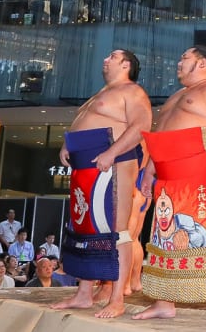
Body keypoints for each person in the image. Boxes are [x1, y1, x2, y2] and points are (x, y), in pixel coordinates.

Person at [132, 45, 206, 328]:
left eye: (185, 58)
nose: (178, 62)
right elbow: (161, 136)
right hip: (167, 177)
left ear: (202, 62)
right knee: (163, 239)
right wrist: (149, 169)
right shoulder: (176, 96)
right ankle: (164, 302)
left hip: (201, 171)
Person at [51, 49, 152, 319]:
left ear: (126, 64)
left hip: (114, 161)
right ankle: (84, 294)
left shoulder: (132, 91)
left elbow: (142, 125)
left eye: (112, 56)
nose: (105, 59)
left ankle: (117, 297)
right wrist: (67, 144)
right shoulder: (101, 92)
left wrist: (112, 152)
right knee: (85, 229)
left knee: (117, 231)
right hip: (86, 165)